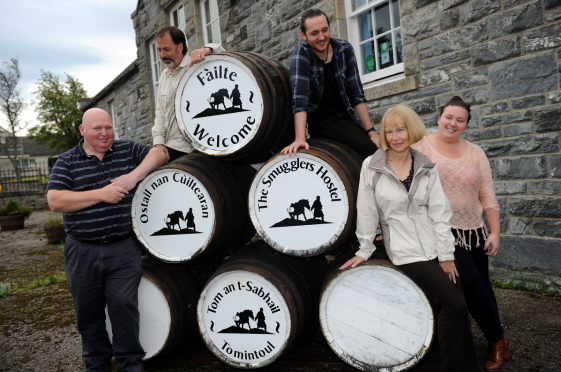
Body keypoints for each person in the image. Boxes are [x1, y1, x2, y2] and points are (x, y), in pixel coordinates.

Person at [340, 105, 481, 372]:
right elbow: (367, 210)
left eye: (400, 130)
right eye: (389, 131)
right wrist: (365, 249)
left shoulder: (426, 166)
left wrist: (446, 256)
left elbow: (440, 213)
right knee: (453, 304)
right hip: (405, 251)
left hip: (434, 246)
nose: (395, 137)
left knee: (460, 308)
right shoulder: (373, 165)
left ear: (411, 131)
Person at [47, 108, 168, 372]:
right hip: (82, 251)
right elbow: (55, 201)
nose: (104, 133)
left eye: (108, 127)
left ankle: (130, 364)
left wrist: (133, 177)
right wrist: (101, 194)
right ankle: (97, 365)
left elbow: (160, 153)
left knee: (124, 308)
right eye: (97, 128)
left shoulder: (127, 150)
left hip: (123, 248)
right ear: (83, 131)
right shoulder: (67, 161)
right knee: (88, 314)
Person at [411, 96, 510, 371]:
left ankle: (498, 336)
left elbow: (487, 194)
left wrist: (495, 232)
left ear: (466, 125)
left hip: (476, 231)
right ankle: (497, 341)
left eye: (460, 120)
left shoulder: (475, 152)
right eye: (449, 117)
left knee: (484, 287)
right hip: (442, 231)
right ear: (439, 117)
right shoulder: (420, 147)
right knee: (472, 288)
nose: (453, 123)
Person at [281, 8, 380, 159]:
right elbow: (300, 100)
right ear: (303, 35)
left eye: (325, 30)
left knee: (380, 146)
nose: (321, 37)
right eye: (314, 33)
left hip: (347, 118)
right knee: (372, 152)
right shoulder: (301, 55)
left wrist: (371, 132)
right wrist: (300, 138)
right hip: (323, 124)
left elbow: (356, 95)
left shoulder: (344, 49)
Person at [152, 25, 225, 161]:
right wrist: (158, 142)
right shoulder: (164, 75)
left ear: (180, 47)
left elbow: (221, 51)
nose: (162, 55)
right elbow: (160, 112)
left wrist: (205, 49)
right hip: (168, 146)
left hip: (190, 146)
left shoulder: (195, 66)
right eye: (159, 50)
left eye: (166, 49)